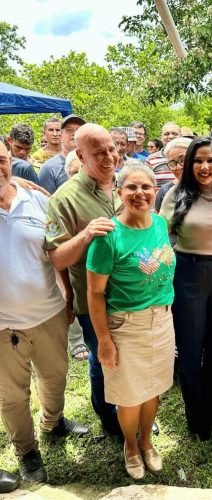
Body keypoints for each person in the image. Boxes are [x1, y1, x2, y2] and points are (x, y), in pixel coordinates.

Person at [0, 140, 88, 485]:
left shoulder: (37, 199)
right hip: (4, 325)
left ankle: (53, 422)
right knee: (13, 393)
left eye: (1, 160)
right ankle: (26, 450)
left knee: (55, 376)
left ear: (11, 161)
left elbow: (56, 249)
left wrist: (67, 296)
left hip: (49, 311)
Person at [87, 161, 176, 479]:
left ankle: (148, 440)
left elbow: (162, 267)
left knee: (153, 390)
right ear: (119, 192)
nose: (140, 193)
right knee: (129, 397)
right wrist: (104, 341)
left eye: (146, 187)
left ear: (155, 190)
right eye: (132, 187)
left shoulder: (159, 223)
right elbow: (95, 293)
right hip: (125, 325)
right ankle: (130, 445)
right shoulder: (108, 237)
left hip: (163, 321)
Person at [45, 124, 123, 437]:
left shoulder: (127, 185)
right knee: (105, 360)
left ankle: (130, 411)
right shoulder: (62, 200)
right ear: (80, 155)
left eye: (111, 149)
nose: (108, 157)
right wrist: (86, 234)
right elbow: (57, 257)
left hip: (134, 297)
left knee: (128, 359)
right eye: (98, 153)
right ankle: (109, 417)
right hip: (93, 302)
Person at [160, 137, 212, 440]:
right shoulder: (175, 194)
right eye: (198, 160)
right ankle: (196, 415)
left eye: (210, 160)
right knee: (191, 350)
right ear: (189, 163)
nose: (204, 167)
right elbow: (162, 237)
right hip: (187, 273)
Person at [63, 150, 89, 361]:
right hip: (75, 271)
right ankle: (76, 341)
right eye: (73, 172)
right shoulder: (63, 200)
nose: (78, 175)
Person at [39, 114, 86, 194]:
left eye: (78, 130)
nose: (74, 133)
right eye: (69, 130)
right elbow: (46, 202)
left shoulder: (92, 163)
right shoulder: (49, 168)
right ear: (60, 136)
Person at [154, 137, 191, 213]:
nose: (178, 167)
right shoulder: (165, 191)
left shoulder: (211, 188)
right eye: (172, 163)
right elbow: (159, 222)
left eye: (183, 160)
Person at [146, 122, 182, 188]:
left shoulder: (188, 157)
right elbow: (146, 184)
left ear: (181, 136)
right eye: (166, 134)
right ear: (161, 137)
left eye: (175, 134)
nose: (171, 136)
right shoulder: (151, 159)